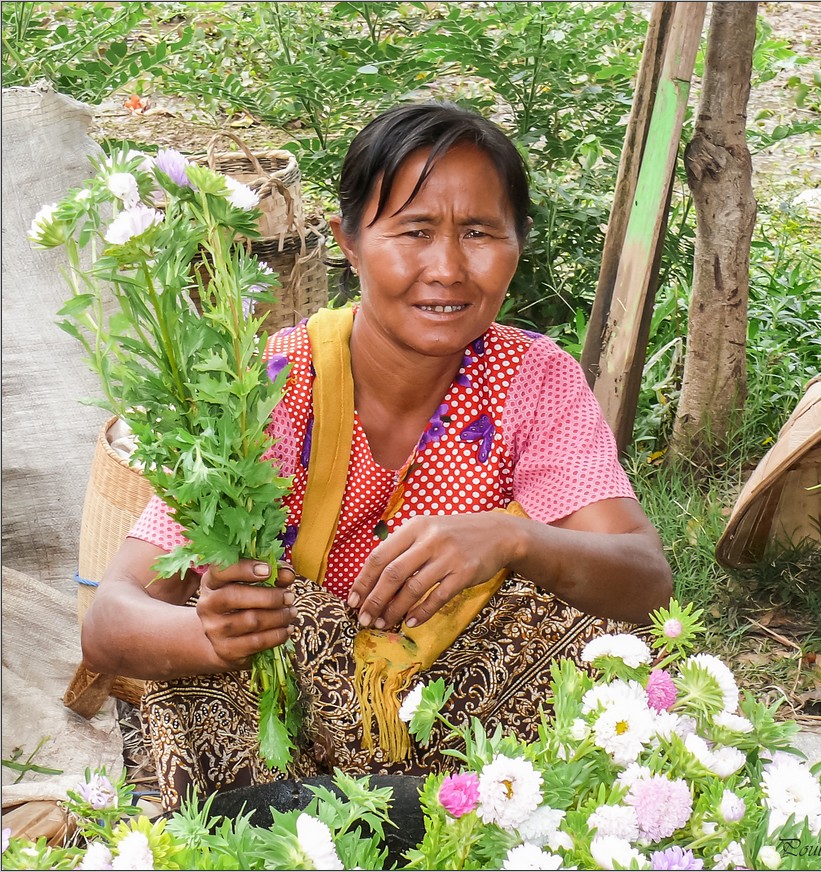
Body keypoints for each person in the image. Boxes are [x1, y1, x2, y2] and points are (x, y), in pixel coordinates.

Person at [81, 101, 673, 809]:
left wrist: (511, 537)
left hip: (461, 722)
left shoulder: (532, 379)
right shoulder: (270, 385)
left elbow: (643, 581)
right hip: (280, 734)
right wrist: (210, 634)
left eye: (481, 233)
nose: (449, 269)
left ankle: (445, 816)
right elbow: (110, 618)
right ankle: (339, 823)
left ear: (518, 245)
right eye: (414, 232)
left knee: (611, 657)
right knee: (196, 672)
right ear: (349, 242)